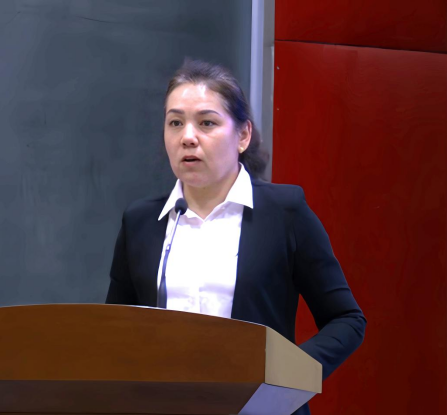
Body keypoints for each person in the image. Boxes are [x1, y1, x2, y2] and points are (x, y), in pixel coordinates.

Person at [106, 59, 366, 415]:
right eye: (175, 122)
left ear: (242, 135)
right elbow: (114, 331)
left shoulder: (284, 212)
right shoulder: (141, 221)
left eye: (207, 122)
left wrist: (288, 379)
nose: (187, 137)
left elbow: (347, 320)